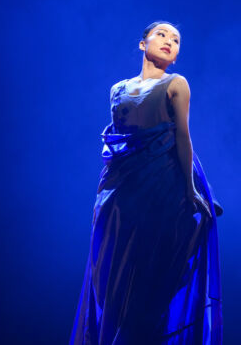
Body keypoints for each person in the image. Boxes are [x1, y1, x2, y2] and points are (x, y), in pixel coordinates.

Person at [69, 21, 224, 344]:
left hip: (159, 186)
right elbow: (119, 143)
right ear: (143, 44)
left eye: (176, 39)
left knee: (147, 274)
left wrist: (191, 188)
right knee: (108, 272)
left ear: (177, 55)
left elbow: (183, 136)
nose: (170, 41)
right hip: (120, 188)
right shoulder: (118, 89)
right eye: (162, 34)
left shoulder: (176, 84)